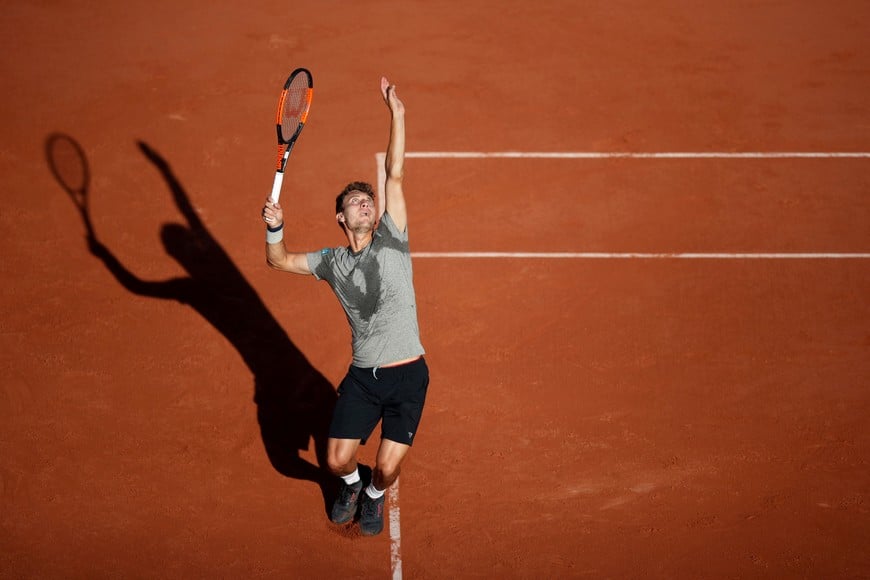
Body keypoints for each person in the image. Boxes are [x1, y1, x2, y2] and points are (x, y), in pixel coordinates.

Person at [260, 77, 428, 536]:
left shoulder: (393, 236)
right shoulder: (331, 263)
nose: (366, 203)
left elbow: (394, 174)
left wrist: (398, 114)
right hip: (364, 380)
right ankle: (353, 486)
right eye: (356, 202)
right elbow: (277, 260)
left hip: (410, 375)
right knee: (336, 461)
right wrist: (276, 226)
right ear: (342, 217)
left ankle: (373, 494)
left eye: (368, 200)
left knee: (388, 471)